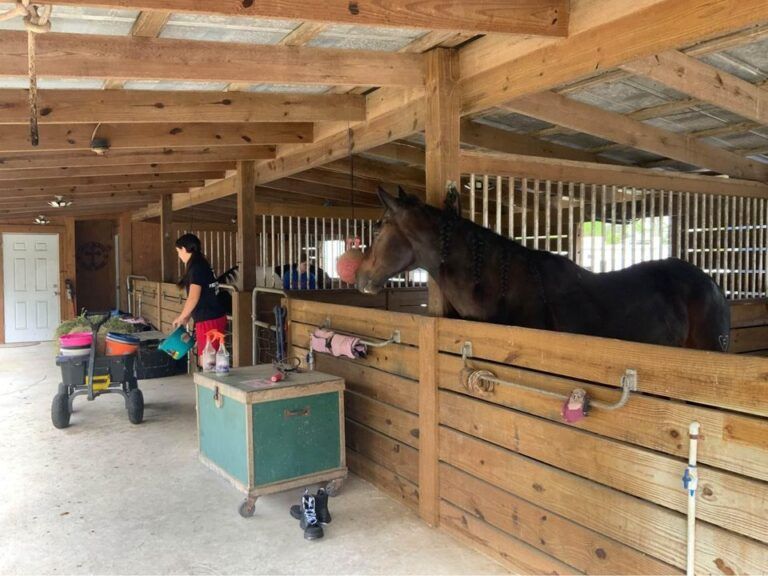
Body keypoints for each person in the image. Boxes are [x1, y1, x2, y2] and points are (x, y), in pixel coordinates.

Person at [172, 233, 227, 365]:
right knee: (209, 357)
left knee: (208, 361)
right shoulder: (201, 264)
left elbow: (193, 297)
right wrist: (187, 317)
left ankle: (210, 385)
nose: (179, 255)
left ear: (185, 249)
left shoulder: (196, 268)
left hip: (209, 320)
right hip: (212, 317)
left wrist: (181, 317)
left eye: (178, 251)